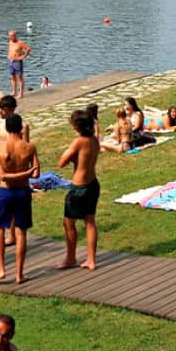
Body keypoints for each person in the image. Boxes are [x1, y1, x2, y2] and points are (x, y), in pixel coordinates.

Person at [0, 114, 37, 284]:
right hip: (23, 191)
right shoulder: (29, 147)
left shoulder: (0, 150)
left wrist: (16, 175)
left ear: (6, 129)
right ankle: (19, 274)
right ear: (20, 128)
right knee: (21, 231)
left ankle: (1, 269)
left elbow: (3, 176)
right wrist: (25, 173)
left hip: (6, 192)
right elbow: (36, 172)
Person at [58, 110, 101, 271]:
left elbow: (61, 162)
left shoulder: (78, 142)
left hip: (78, 187)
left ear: (76, 126)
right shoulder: (95, 140)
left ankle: (70, 257)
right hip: (93, 184)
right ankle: (91, 260)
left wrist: (72, 157)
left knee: (69, 222)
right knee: (90, 222)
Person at [7, 30, 31, 99]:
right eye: (10, 36)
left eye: (12, 36)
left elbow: (28, 49)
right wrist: (8, 55)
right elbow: (10, 49)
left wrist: (23, 56)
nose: (11, 37)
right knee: (13, 77)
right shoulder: (10, 42)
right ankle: (14, 92)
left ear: (15, 36)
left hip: (18, 62)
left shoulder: (20, 43)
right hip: (11, 61)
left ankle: (21, 94)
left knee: (20, 78)